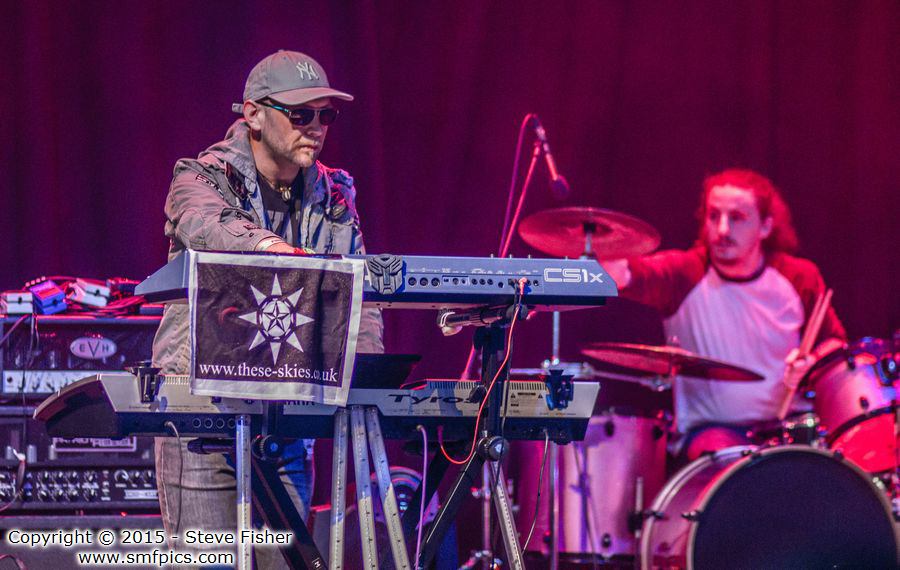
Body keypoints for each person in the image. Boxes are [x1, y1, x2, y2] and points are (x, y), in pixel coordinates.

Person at [150, 50, 384, 566]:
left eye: (325, 114)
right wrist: (275, 250)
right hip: (202, 416)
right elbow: (210, 227)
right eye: (300, 114)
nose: (316, 127)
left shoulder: (334, 193)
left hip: (286, 417)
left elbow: (357, 292)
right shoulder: (199, 176)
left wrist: (370, 376)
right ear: (254, 115)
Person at [602, 168, 845, 462]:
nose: (722, 230)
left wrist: (811, 363)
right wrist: (599, 250)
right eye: (714, 216)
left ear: (765, 227)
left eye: (737, 218)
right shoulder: (684, 274)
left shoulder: (798, 277)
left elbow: (834, 344)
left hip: (788, 427)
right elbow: (627, 276)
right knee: (738, 469)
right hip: (711, 432)